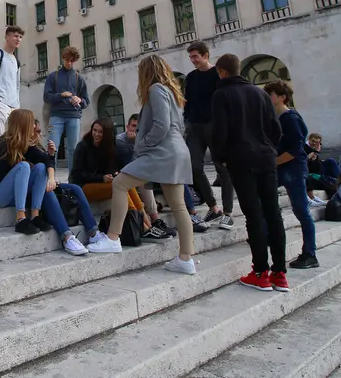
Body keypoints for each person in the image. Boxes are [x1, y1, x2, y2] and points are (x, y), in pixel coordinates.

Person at [88, 55, 196, 277]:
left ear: (147, 71)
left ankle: (112, 238)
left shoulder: (156, 89)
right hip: (176, 151)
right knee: (179, 207)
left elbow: (161, 125)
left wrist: (143, 143)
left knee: (119, 183)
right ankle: (186, 258)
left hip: (161, 152)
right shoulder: (171, 91)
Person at [210, 53, 289, 293]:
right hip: (266, 158)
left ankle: (260, 272)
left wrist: (221, 158)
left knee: (254, 216)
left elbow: (220, 132)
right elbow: (275, 129)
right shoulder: (260, 93)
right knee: (273, 214)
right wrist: (267, 147)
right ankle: (280, 273)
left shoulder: (221, 94)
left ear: (222, 72)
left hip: (241, 160)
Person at [0, 108, 51, 234]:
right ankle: (20, 219)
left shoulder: (25, 144)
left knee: (40, 168)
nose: (34, 126)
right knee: (24, 167)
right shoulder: (3, 144)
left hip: (11, 195)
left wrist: (50, 155)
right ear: (23, 124)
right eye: (31, 122)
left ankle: (35, 216)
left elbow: (45, 160)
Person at [264, 81, 319, 269]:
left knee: (301, 210)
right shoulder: (275, 117)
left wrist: (273, 162)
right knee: (265, 198)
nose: (268, 98)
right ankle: (270, 235)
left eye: (270, 94)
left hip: (293, 168)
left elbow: (295, 148)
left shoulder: (291, 118)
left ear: (282, 97)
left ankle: (310, 253)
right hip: (280, 168)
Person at [31, 118, 105, 255]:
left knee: (75, 188)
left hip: (45, 185)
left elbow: (48, 165)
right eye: (36, 131)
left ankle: (93, 233)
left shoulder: (36, 146)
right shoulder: (22, 146)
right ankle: (67, 237)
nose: (39, 135)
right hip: (32, 192)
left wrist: (51, 155)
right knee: (48, 192)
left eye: (39, 131)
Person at [182, 42, 235, 230]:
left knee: (223, 168)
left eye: (195, 56)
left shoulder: (217, 75)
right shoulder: (190, 77)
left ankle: (228, 213)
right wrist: (186, 119)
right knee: (194, 168)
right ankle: (214, 207)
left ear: (205, 55)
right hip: (194, 127)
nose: (193, 60)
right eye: (190, 57)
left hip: (214, 126)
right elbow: (186, 100)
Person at [115, 114, 176, 237]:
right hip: (126, 176)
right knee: (143, 179)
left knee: (174, 176)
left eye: (139, 128)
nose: (135, 130)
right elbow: (131, 164)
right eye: (133, 126)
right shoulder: (120, 140)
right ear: (127, 127)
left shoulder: (146, 139)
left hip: (147, 174)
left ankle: (189, 213)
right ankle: (154, 219)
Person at [43, 46, 90, 176]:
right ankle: (51, 179)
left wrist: (79, 100)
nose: (69, 63)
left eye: (72, 61)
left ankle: (72, 180)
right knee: (52, 147)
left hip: (74, 116)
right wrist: (60, 95)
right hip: (56, 116)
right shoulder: (53, 77)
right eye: (67, 60)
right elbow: (46, 97)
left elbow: (86, 101)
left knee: (73, 149)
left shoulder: (79, 78)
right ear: (63, 58)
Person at [304, 133, 337, 204]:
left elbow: (316, 162)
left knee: (331, 161)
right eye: (313, 141)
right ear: (309, 139)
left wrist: (316, 152)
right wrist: (311, 157)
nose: (314, 143)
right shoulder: (304, 147)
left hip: (317, 170)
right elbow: (306, 164)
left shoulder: (316, 148)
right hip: (310, 171)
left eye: (317, 142)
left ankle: (339, 179)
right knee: (328, 181)